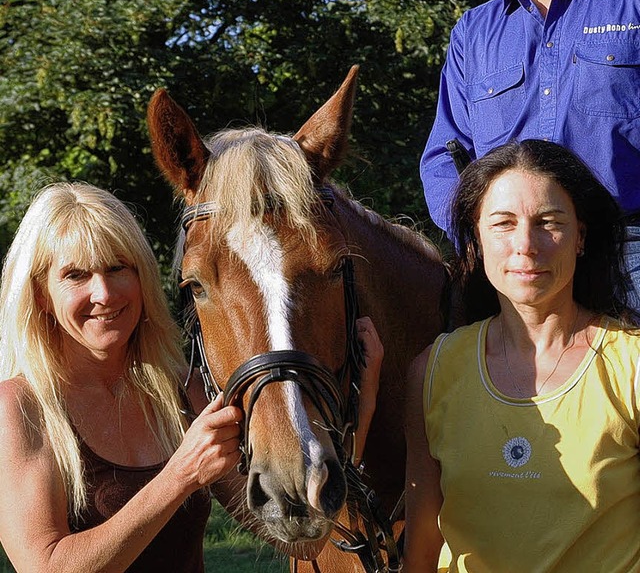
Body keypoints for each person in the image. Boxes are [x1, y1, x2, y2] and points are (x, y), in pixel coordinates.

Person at [0, 182, 383, 572]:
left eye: (118, 268)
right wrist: (180, 476)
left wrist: (361, 412)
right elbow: (44, 566)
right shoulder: (17, 408)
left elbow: (306, 539)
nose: (104, 293)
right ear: (42, 295)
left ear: (142, 277)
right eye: (76, 275)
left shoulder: (186, 393)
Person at [419, 0, 640, 310]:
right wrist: (481, 239)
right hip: (510, 263)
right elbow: (443, 155)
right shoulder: (474, 33)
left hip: (629, 253)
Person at [404, 139, 640, 572]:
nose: (526, 244)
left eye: (548, 221)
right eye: (503, 223)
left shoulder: (632, 367)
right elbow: (421, 540)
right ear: (476, 234)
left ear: (581, 237)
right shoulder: (433, 371)